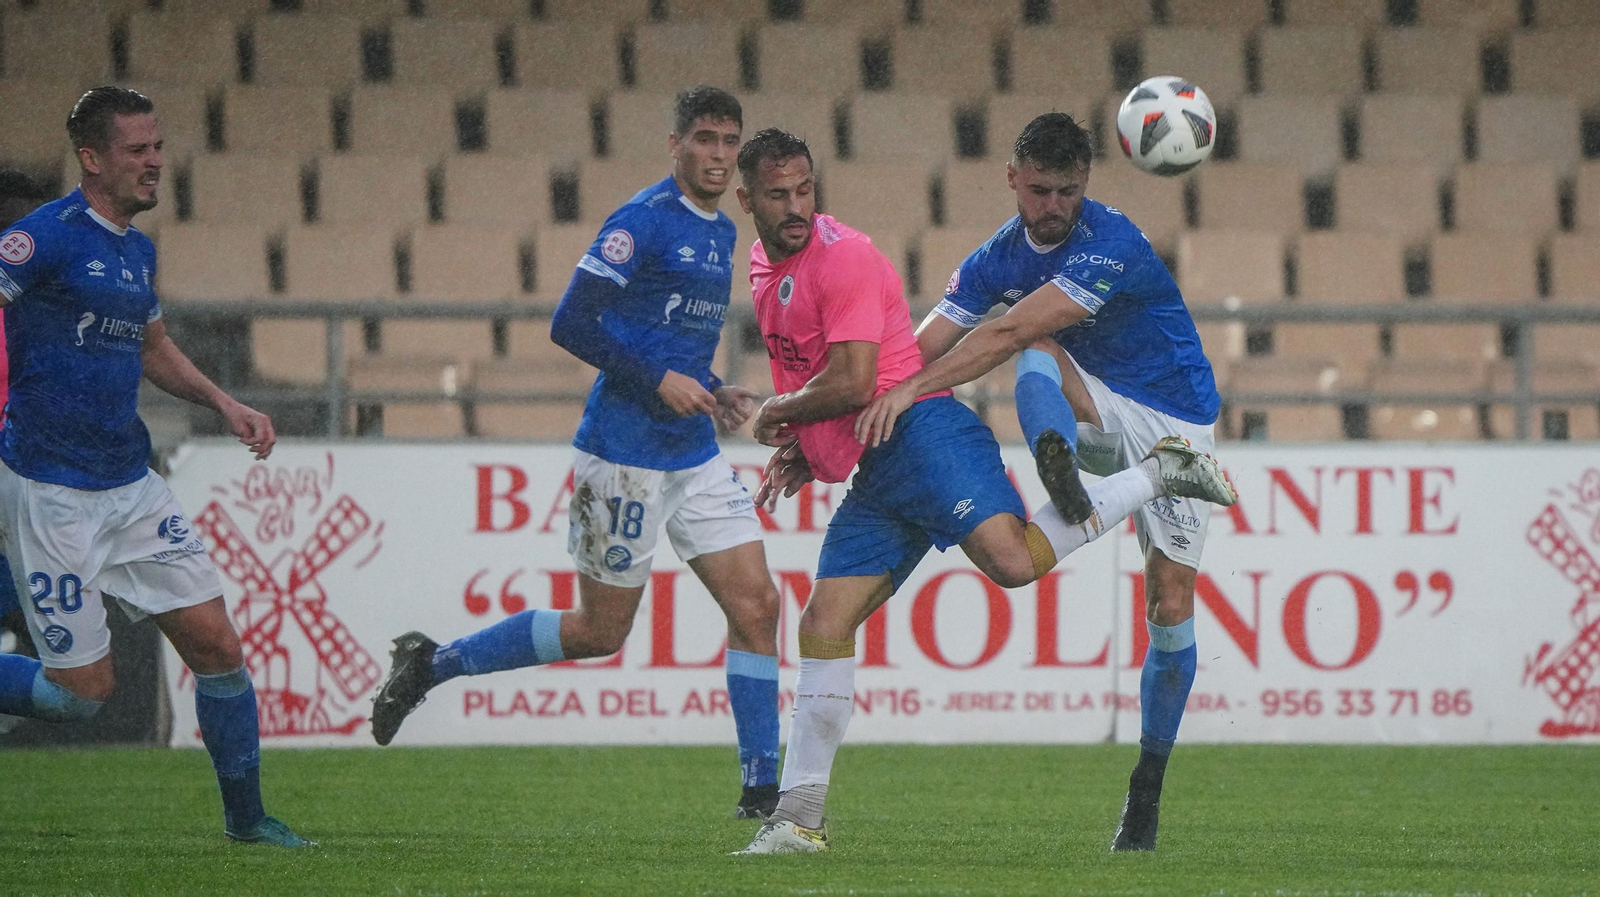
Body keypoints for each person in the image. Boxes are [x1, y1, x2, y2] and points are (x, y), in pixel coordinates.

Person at [728, 129, 1236, 854]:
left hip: (1171, 410)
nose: (1053, 205)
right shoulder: (998, 253)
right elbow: (928, 340)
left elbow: (1007, 328)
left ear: (1086, 181)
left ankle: (1145, 790)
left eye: (1067, 191)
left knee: (1169, 602)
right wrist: (835, 432)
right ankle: (798, 819)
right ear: (1012, 179)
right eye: (1038, 190)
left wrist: (899, 397)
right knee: (825, 617)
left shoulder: (1110, 241)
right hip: (1084, 398)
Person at [369, 86, 785, 820]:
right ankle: (433, 662)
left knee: (757, 603)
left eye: (729, 141)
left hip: (690, 453)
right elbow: (572, 322)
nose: (718, 155)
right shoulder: (641, 222)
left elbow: (671, 337)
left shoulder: (722, 232)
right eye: (705, 140)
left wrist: (713, 388)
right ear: (676, 145)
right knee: (600, 631)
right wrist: (660, 379)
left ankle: (760, 789)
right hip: (621, 453)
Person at [0, 87, 307, 846]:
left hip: (131, 486)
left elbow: (152, 347)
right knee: (82, 696)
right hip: (52, 492)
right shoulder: (40, 241)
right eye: (138, 150)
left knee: (219, 647)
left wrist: (224, 404)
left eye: (158, 147)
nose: (155, 162)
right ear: (93, 158)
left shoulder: (137, 250)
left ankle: (247, 820)